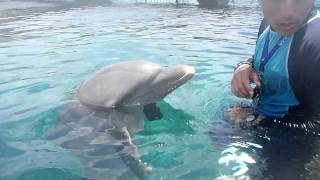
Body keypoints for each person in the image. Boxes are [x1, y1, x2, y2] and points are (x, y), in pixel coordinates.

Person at [227, 0, 320, 132]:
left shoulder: (315, 43)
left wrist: (253, 120)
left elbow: (317, 129)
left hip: (289, 144)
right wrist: (244, 66)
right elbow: (268, 58)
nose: (287, 14)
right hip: (256, 117)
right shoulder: (268, 23)